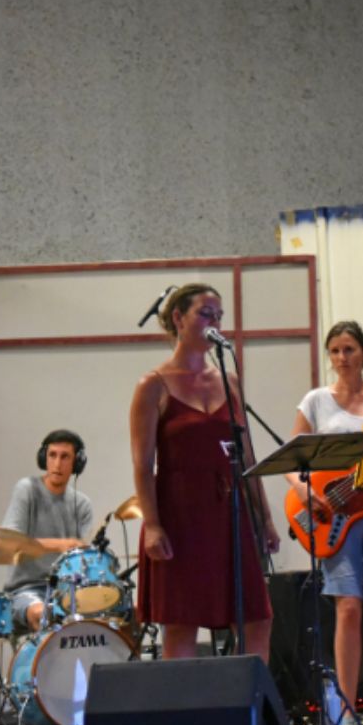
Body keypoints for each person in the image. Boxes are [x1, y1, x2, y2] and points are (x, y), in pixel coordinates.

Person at [129, 283, 279, 661]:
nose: (215, 323)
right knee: (182, 622)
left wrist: (265, 517)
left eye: (219, 316)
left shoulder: (228, 380)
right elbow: (143, 465)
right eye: (206, 314)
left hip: (229, 510)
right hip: (180, 512)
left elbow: (247, 454)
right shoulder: (152, 385)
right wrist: (153, 525)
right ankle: (182, 700)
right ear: (178, 318)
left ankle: (248, 696)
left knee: (257, 618)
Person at [286, 320, 363, 725]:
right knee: (348, 606)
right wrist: (303, 491)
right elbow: (290, 459)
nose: (342, 358)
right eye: (335, 351)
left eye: (349, 349)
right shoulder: (316, 401)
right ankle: (344, 709)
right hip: (336, 514)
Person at [0, 430, 94, 633]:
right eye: (52, 455)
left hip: (65, 591)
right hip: (25, 590)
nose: (57, 464)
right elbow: (10, 542)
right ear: (44, 458)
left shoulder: (82, 505)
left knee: (114, 613)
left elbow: (83, 561)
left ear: (77, 463)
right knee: (42, 613)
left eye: (65, 457)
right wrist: (61, 545)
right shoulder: (27, 489)